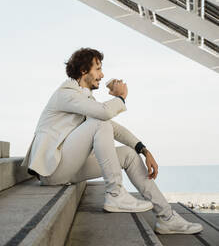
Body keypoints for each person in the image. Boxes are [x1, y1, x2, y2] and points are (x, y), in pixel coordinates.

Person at [21, 47, 203, 234]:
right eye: (98, 69)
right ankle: (115, 193)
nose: (102, 74)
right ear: (84, 71)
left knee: (129, 155)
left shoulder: (84, 98)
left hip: (68, 167)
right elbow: (105, 114)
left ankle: (167, 217)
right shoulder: (66, 93)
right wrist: (121, 97)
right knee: (101, 123)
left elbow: (112, 126)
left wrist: (144, 150)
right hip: (53, 170)